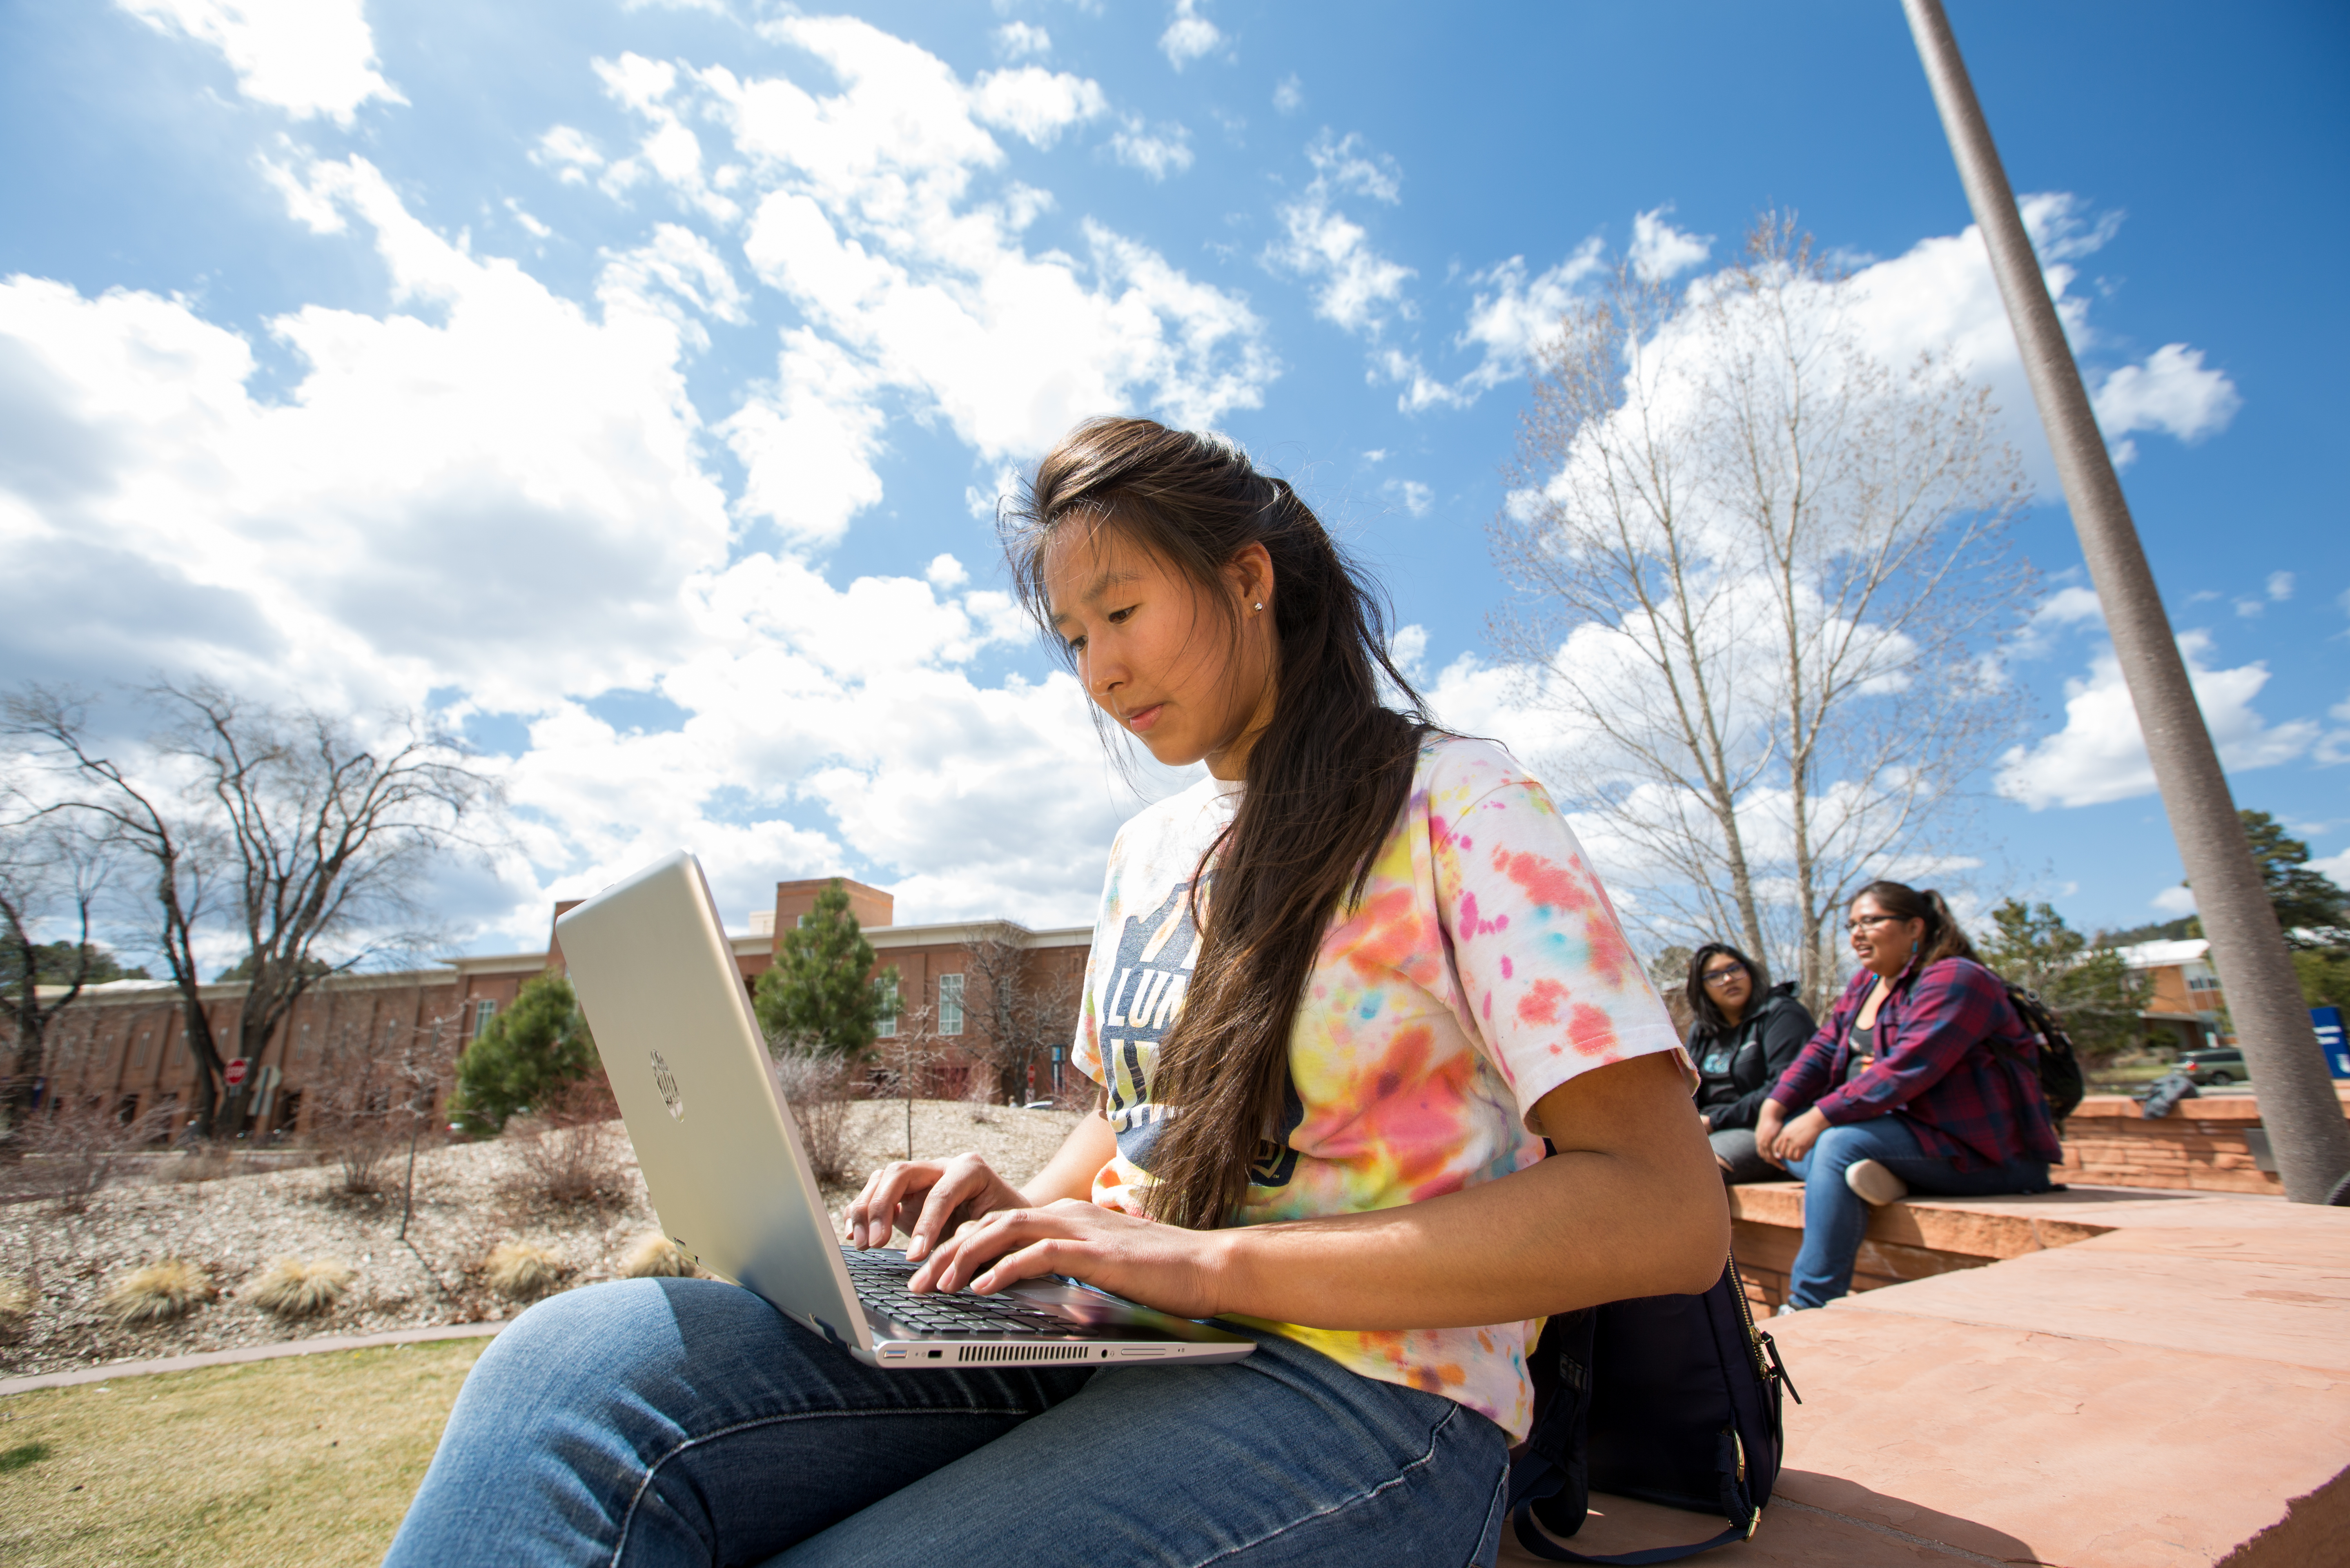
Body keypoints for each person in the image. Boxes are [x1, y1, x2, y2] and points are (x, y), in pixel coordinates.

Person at [383, 419, 1728, 1568]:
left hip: (1372, 1387)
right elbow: (1129, 1126)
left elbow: (1668, 1212)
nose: (1098, 671)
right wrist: (1031, 1204)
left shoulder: (1459, 803)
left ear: (1248, 579)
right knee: (573, 1373)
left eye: (1123, 614)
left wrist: (1204, 1262)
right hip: (1117, 1328)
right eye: (1074, 636)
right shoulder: (1147, 853)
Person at [1755, 880, 2060, 1312]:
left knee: (1837, 1145)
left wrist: (1821, 1116)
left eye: (1870, 921)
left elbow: (1907, 1068)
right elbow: (1823, 1048)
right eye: (1851, 925)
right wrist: (1776, 1106)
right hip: (1910, 1134)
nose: (1856, 934)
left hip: (1986, 1152)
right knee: (1794, 1139)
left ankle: (1809, 1304)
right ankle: (1879, 1172)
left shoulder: (1957, 978)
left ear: (1915, 926)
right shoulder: (1868, 984)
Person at [1683, 944, 1814, 1184]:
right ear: (1701, 989)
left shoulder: (1782, 1014)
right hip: (1707, 1129)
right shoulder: (1702, 1032)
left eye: (1735, 969)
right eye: (1714, 976)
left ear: (1750, 972)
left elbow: (1787, 1086)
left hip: (1763, 1126)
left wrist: (1714, 1122)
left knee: (1693, 1174)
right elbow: (1686, 1088)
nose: (1728, 979)